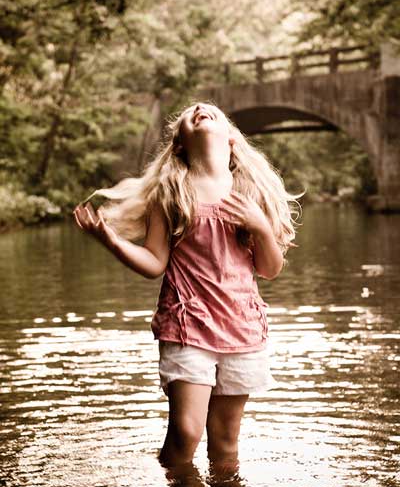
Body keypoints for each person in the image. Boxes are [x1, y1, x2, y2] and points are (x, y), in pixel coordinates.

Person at [73, 101, 301, 468]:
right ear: (179, 144)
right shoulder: (171, 191)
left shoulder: (251, 193)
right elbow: (154, 263)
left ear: (231, 138)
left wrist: (259, 226)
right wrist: (112, 241)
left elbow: (270, 269)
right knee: (186, 431)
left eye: (211, 110)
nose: (198, 108)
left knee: (225, 441)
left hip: (240, 328)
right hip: (186, 324)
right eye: (189, 114)